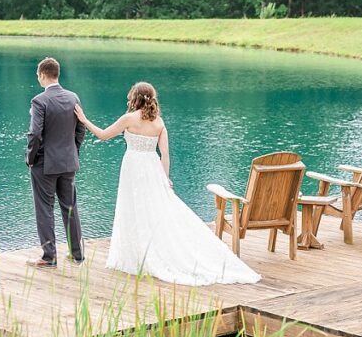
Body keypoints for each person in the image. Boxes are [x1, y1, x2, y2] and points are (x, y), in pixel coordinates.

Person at [74, 82, 260, 286]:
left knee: (134, 209)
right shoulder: (159, 123)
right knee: (155, 210)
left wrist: (83, 120)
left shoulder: (129, 118)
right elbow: (165, 155)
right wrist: (165, 178)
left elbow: (102, 134)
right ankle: (145, 252)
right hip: (152, 167)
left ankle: (137, 256)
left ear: (134, 97)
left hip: (133, 167)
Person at [26, 57, 85, 268]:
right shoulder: (73, 98)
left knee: (44, 208)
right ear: (57, 74)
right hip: (68, 163)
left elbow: (35, 134)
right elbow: (81, 129)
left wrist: (30, 158)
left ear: (42, 75)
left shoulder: (39, 101)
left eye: (37, 76)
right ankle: (77, 254)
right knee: (70, 208)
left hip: (45, 165)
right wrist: (73, 151)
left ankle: (49, 256)